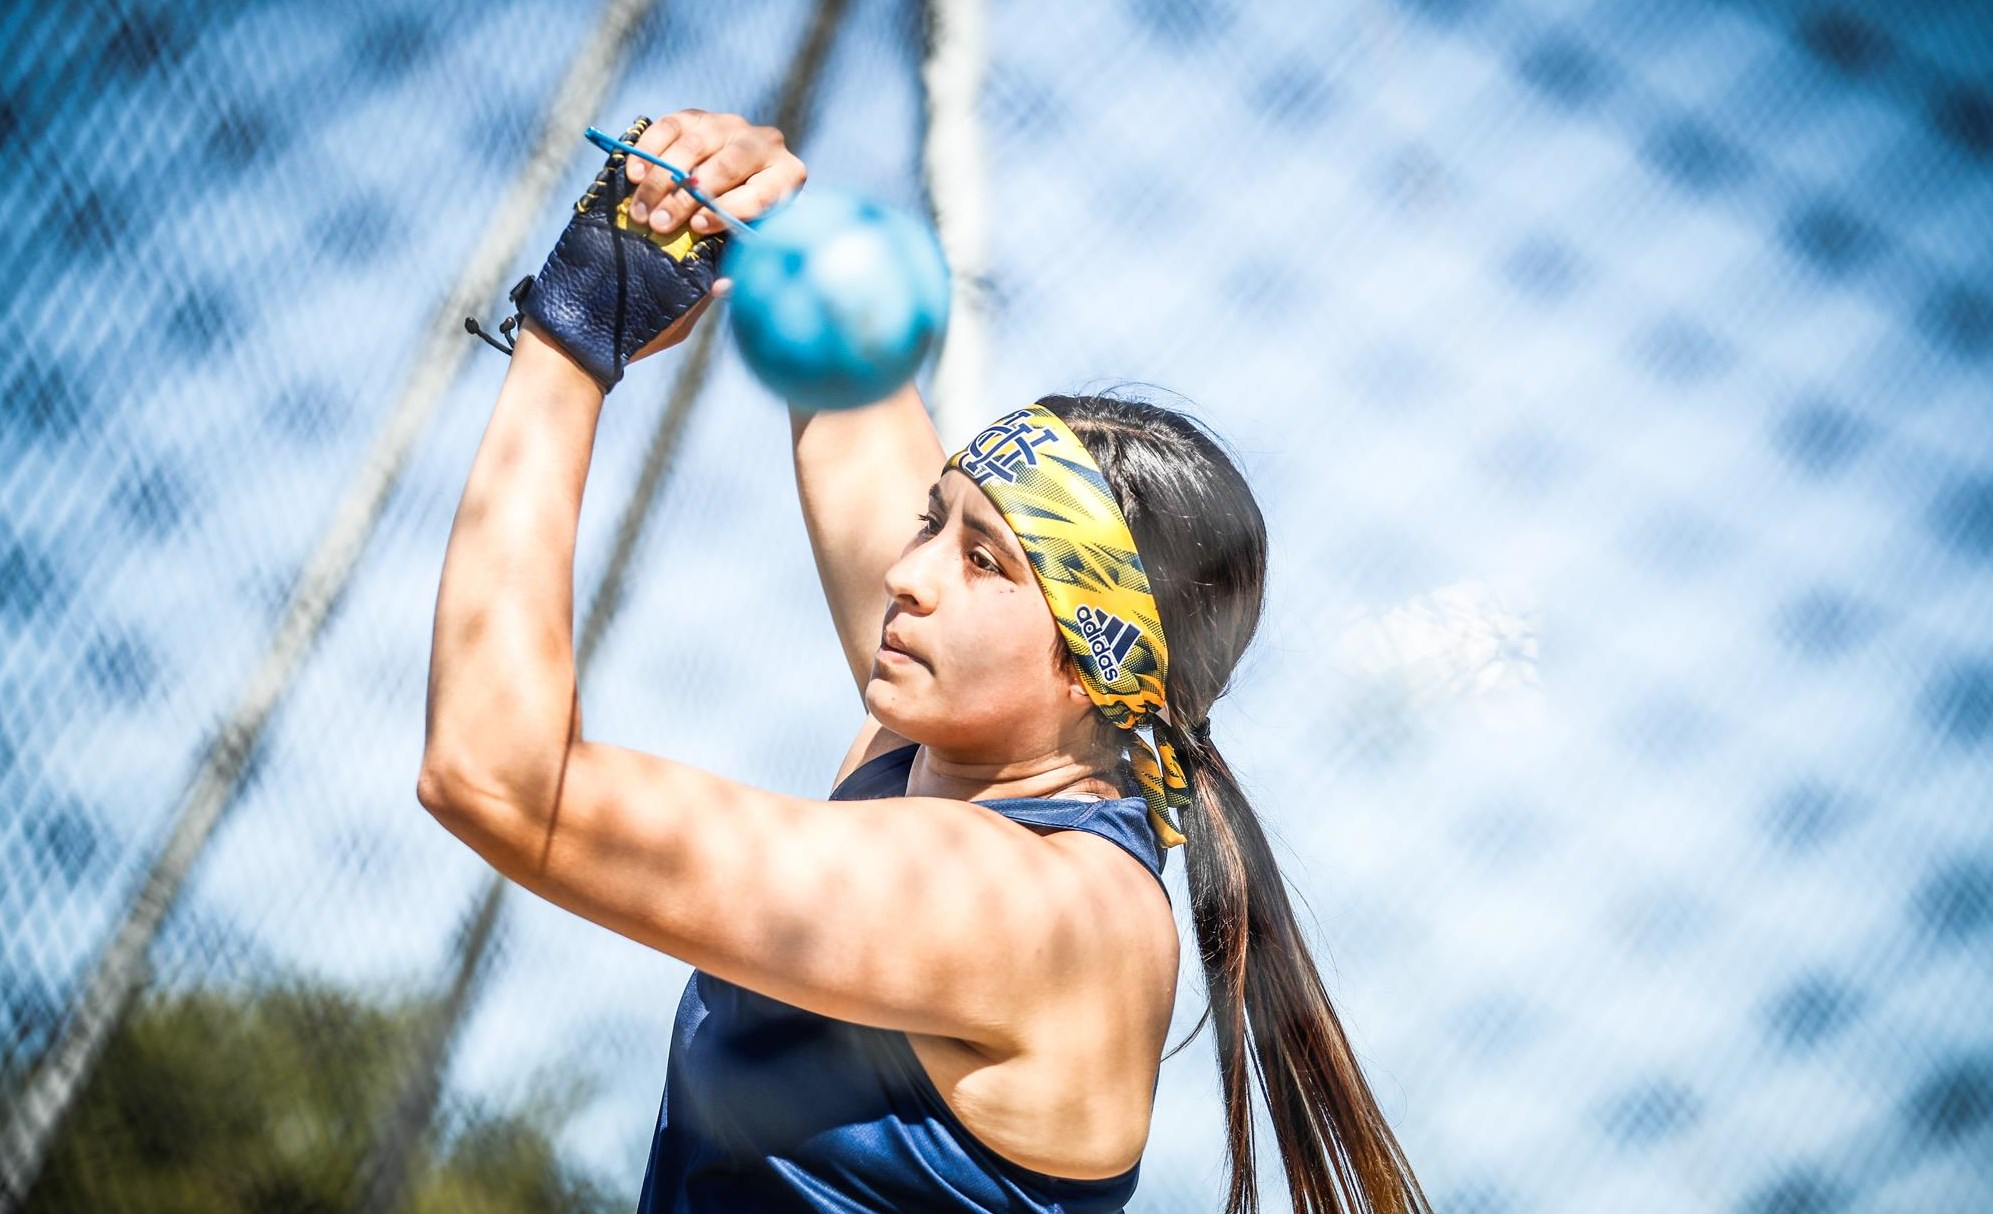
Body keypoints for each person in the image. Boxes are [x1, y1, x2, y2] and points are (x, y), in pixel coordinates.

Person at [420, 108, 1431, 1214]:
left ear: (1094, 663)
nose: (909, 575)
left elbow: (501, 778)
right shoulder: (939, 742)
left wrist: (573, 335)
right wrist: (756, 210)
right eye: (928, 520)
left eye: (987, 562)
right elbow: (848, 364)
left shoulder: (1044, 909)